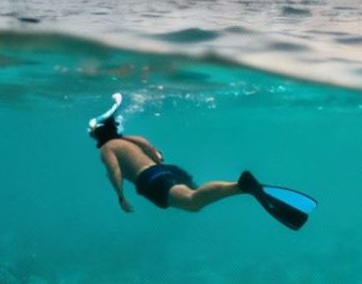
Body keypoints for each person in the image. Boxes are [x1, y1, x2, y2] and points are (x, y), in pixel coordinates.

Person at [88, 94, 313, 230]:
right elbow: (152, 150)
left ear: (99, 134)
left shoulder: (108, 148)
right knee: (194, 197)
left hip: (148, 179)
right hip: (162, 170)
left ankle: (240, 186)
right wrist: (157, 162)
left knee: (193, 202)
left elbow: (114, 170)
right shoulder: (130, 139)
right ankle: (239, 187)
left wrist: (120, 195)